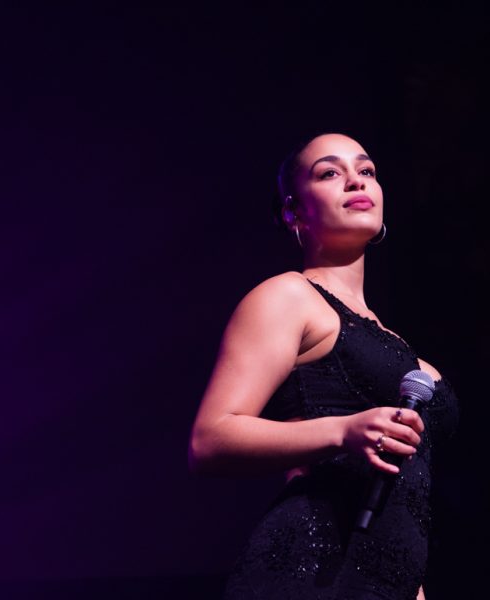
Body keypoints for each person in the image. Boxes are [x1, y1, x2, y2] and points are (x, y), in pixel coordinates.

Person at [189, 133, 459, 599]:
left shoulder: (396, 343)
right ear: (293, 211)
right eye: (330, 173)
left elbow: (406, 500)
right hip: (310, 572)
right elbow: (210, 440)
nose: (356, 180)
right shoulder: (289, 296)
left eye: (367, 171)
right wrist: (344, 430)